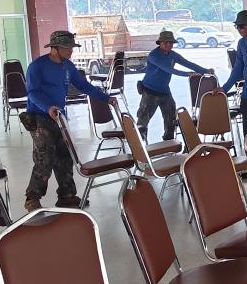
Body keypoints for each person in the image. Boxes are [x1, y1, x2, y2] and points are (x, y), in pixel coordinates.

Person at [22, 31, 115, 212]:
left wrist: (105, 98)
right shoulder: (37, 66)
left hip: (59, 117)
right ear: (54, 48)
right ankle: (32, 198)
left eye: (71, 47)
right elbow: (32, 92)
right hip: (40, 117)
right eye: (67, 47)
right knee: (44, 157)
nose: (70, 51)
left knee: (65, 156)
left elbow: (84, 85)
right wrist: (48, 107)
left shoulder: (68, 66)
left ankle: (66, 195)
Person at [137, 30, 212, 141]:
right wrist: (187, 74)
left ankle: (170, 141)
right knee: (143, 119)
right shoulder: (154, 55)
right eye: (165, 42)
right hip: (150, 91)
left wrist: (205, 71)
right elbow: (168, 69)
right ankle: (140, 143)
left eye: (171, 43)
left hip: (165, 91)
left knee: (171, 118)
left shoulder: (172, 55)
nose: (168, 45)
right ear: (160, 43)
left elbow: (187, 63)